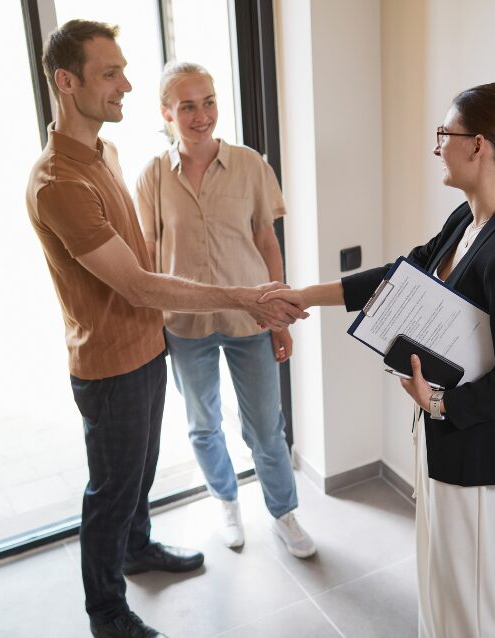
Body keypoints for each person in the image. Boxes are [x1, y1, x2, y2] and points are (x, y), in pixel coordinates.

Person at [25, 20, 307, 638]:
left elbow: (154, 256)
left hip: (149, 346)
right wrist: (242, 296)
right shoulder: (60, 182)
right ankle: (107, 613)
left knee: (141, 473)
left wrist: (260, 304)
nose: (123, 82)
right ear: (66, 82)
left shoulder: (105, 153)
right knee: (112, 489)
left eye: (124, 70)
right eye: (110, 73)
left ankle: (140, 548)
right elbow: (140, 280)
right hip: (112, 362)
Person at [262, 83, 495, 637]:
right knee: (438, 582)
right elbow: (402, 278)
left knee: (472, 607)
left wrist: (442, 403)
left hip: (477, 447)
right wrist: (306, 295)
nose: (436, 147)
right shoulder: (467, 222)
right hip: (441, 430)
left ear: (477, 146)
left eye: (443, 135)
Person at [134, 62, 315, 558]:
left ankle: (284, 513)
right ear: (166, 113)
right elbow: (149, 251)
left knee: (265, 426)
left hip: (250, 319)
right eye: (188, 105)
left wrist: (279, 314)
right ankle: (226, 502)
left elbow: (265, 240)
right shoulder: (152, 176)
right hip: (185, 325)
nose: (202, 115)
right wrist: (151, 322)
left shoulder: (251, 165)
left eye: (209, 101)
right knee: (203, 424)